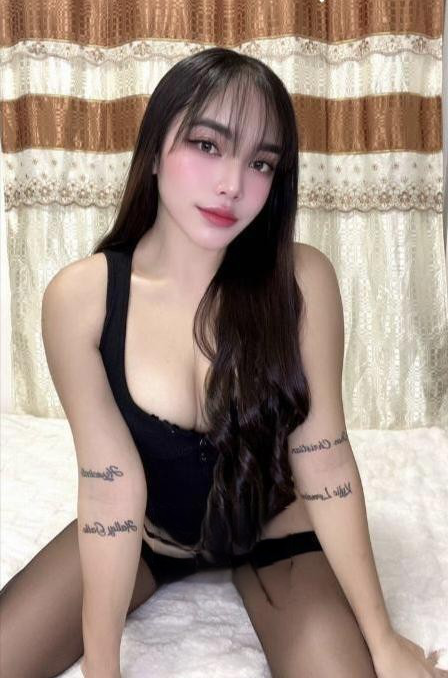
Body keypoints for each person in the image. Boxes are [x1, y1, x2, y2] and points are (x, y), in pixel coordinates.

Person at [0, 46, 445, 678]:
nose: (233, 184)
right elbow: (109, 487)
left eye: (260, 162)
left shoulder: (302, 280)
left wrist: (383, 639)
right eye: (208, 145)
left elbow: (324, 458)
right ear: (155, 150)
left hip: (276, 535)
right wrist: (103, 667)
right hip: (148, 537)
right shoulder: (82, 298)